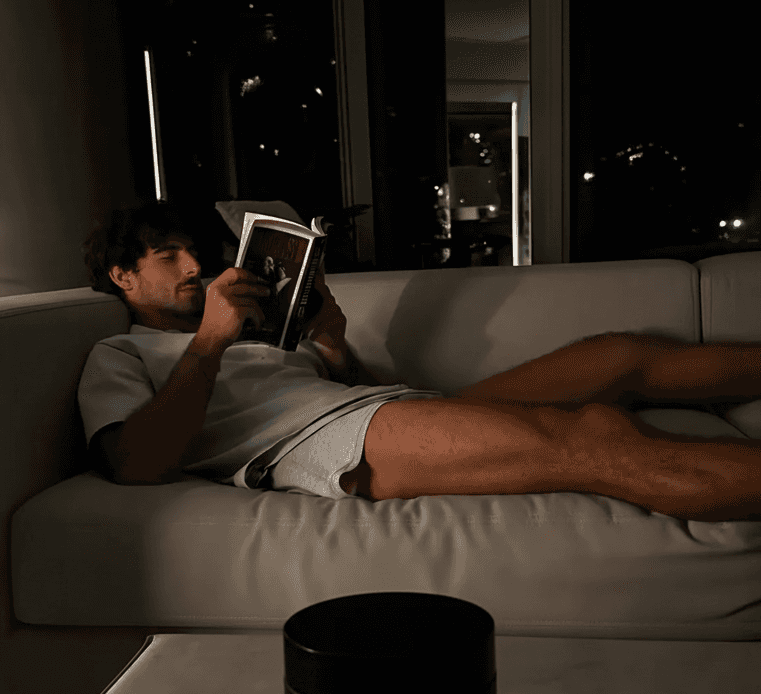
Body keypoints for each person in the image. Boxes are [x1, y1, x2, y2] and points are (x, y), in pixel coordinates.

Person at [79, 202, 761, 521]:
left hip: (384, 409)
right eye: (166, 256)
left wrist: (331, 340)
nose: (193, 265)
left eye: (191, 251)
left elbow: (359, 392)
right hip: (322, 444)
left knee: (619, 354)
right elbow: (135, 464)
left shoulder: (255, 334)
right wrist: (209, 341)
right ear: (122, 277)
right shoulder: (122, 352)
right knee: (595, 438)